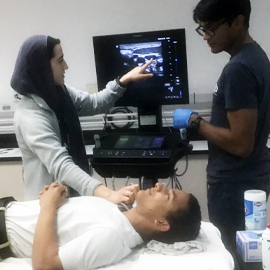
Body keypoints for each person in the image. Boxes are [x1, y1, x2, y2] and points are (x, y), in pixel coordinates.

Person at [173, 0, 270, 265]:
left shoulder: (238, 69)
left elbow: (241, 144)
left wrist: (195, 122)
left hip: (234, 186)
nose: (205, 37)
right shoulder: (256, 57)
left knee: (233, 257)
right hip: (249, 180)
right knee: (247, 257)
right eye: (201, 29)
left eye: (211, 29)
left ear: (237, 22)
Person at [10, 35, 153, 202]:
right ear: (42, 67)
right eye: (60, 60)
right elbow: (61, 165)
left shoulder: (60, 93)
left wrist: (123, 80)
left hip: (74, 197)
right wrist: (109, 195)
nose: (66, 66)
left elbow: (94, 103)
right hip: (49, 206)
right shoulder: (30, 116)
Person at [0, 182, 201, 270]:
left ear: (162, 224)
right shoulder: (119, 213)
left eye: (168, 195)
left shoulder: (113, 236)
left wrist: (49, 205)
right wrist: (59, 195)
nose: (159, 186)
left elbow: (45, 265)